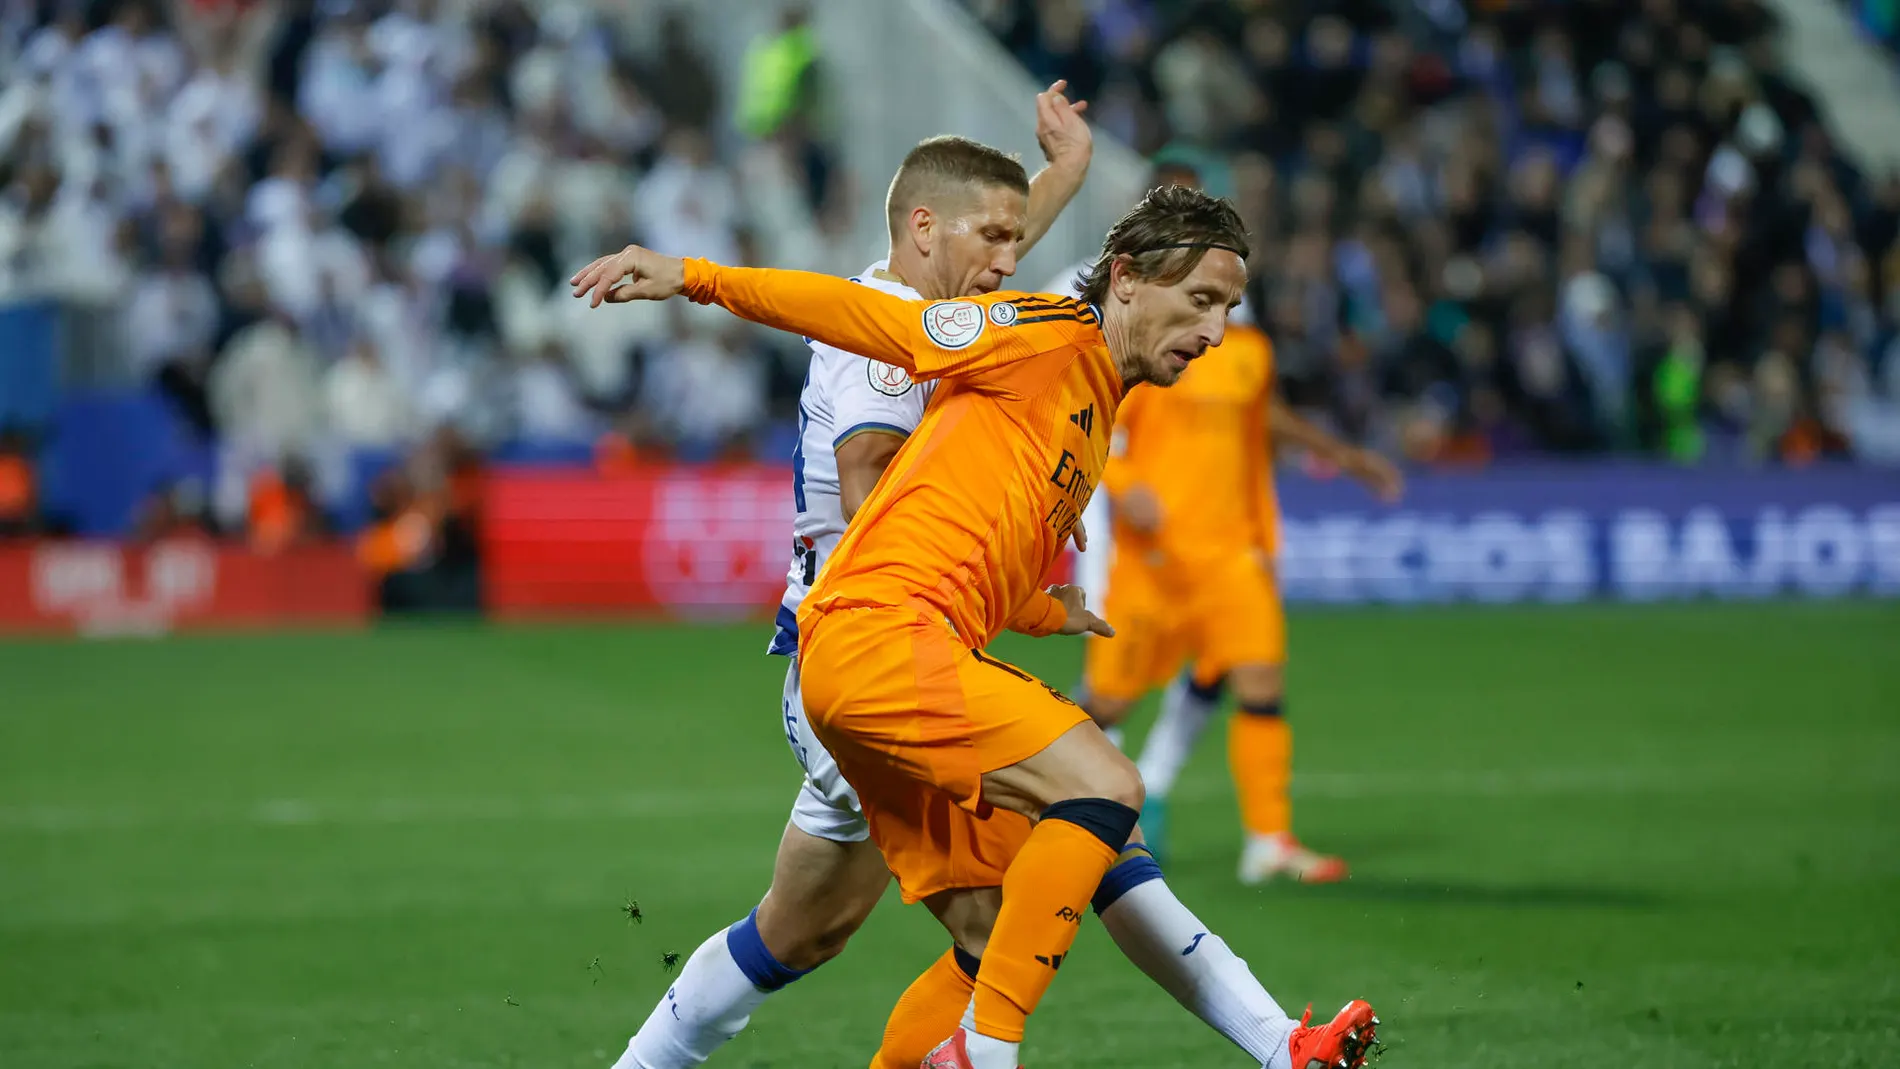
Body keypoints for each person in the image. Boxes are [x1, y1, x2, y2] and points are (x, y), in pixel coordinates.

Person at [573, 182, 1379, 1069]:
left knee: (1035, 894)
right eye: (1200, 300)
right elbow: (875, 318)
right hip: (874, 638)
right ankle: (985, 1054)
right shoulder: (1048, 332)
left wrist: (1040, 607)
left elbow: (967, 555)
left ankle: (1280, 1045)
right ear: (1127, 280)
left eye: (1227, 307)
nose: (1216, 332)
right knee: (1104, 785)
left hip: (897, 651)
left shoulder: (1090, 408)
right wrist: (692, 276)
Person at [1048, 166, 1403, 882]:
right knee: (1107, 700)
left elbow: (1257, 438)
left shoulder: (1248, 352)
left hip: (1231, 555)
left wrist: (1301, 503)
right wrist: (1124, 481)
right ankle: (1046, 800)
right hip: (1153, 561)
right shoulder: (1144, 340)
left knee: (1262, 683)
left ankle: (1268, 839)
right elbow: (1097, 419)